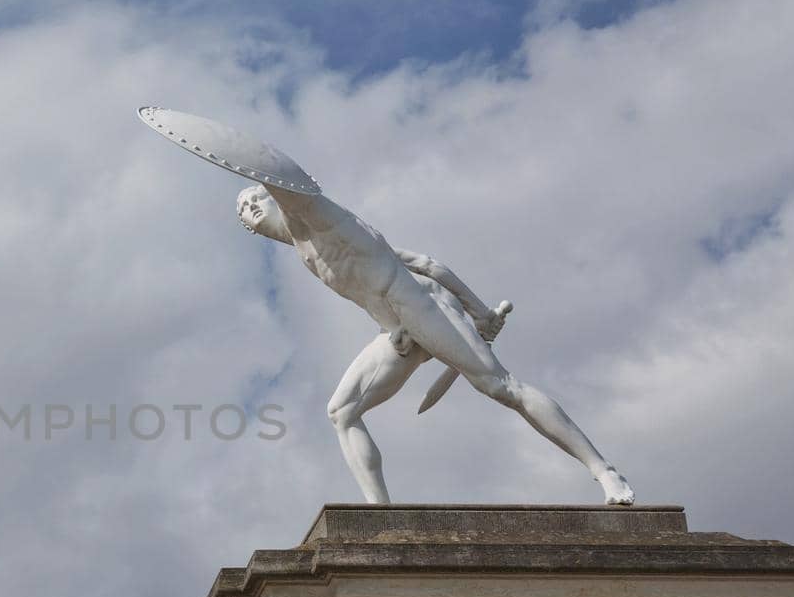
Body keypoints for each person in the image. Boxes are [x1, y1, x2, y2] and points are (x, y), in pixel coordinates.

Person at [236, 183, 634, 505]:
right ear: (250, 231)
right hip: (395, 330)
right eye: (243, 209)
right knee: (341, 412)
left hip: (420, 304)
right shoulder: (306, 253)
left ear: (276, 198)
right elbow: (425, 261)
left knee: (501, 387)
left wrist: (477, 312)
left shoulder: (319, 218)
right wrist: (478, 313)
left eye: (256, 197)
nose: (250, 206)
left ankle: (604, 471)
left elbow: (427, 268)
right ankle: (380, 515)